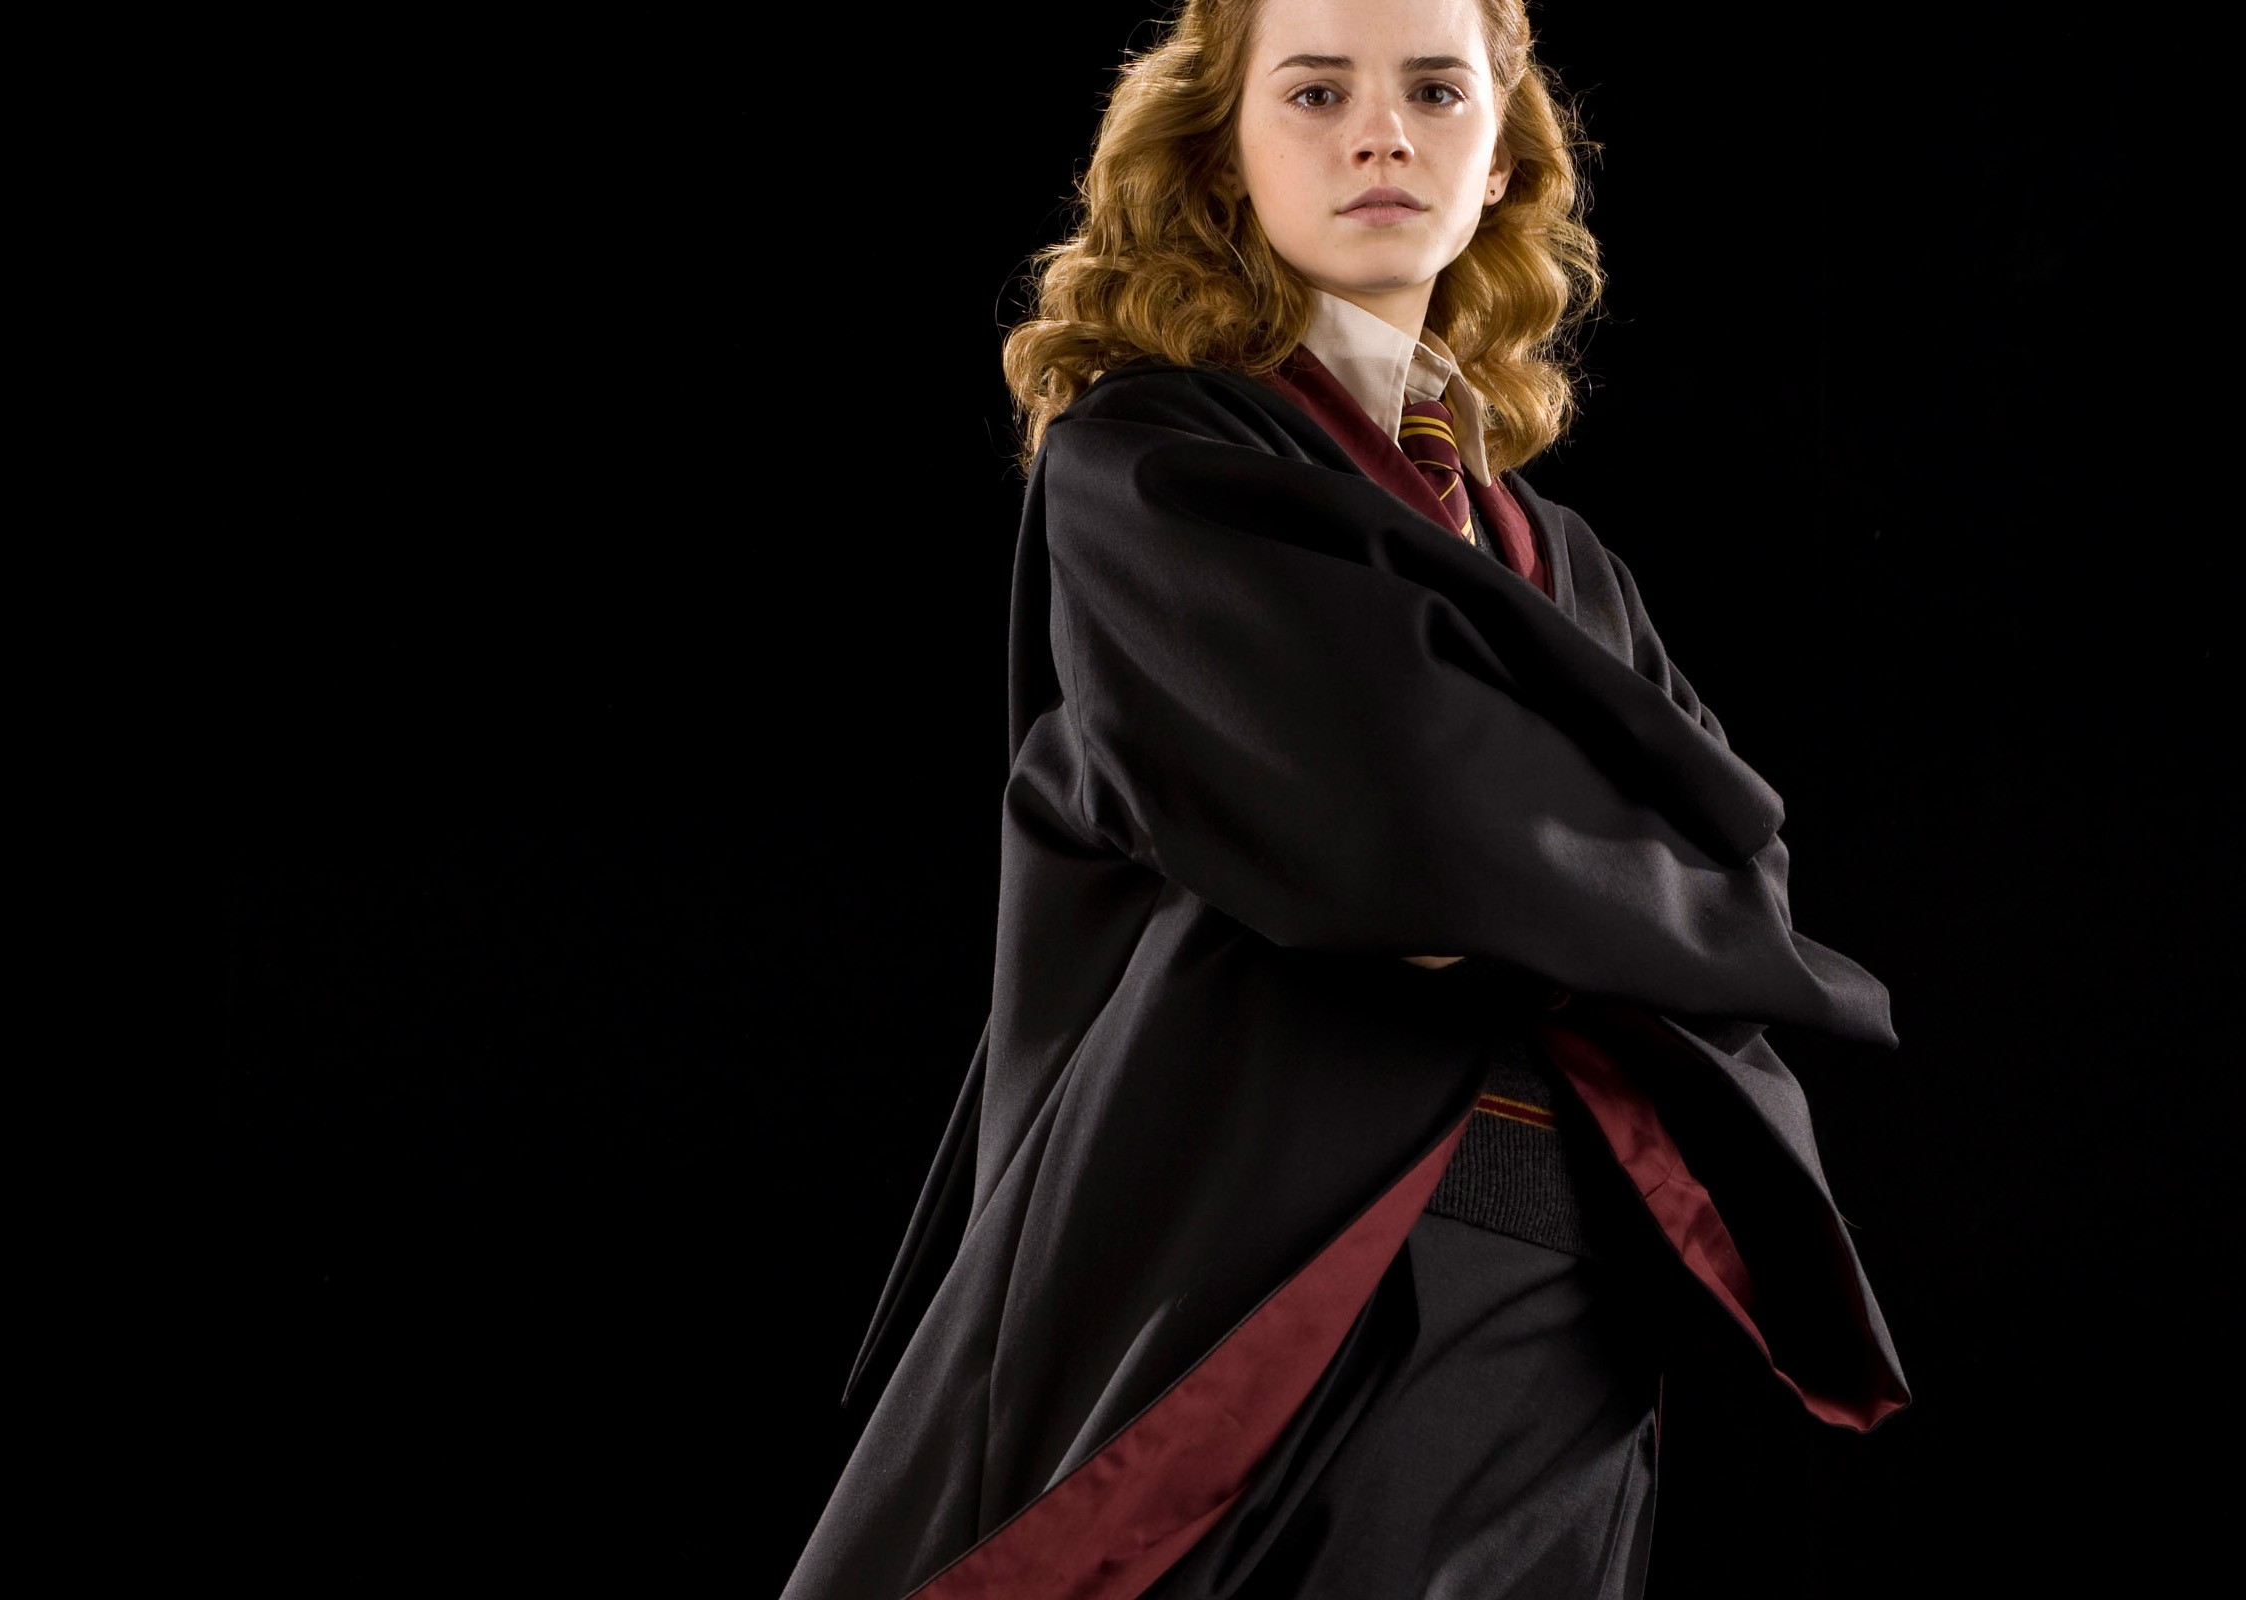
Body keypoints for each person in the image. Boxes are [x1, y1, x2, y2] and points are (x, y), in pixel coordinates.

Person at [783, 1, 1907, 1595]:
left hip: (1570, 1278)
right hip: (1265, 1267)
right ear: (1222, 153)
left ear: (1501, 152)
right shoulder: (1152, 465)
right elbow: (1391, 843)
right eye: (1315, 91)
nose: (1382, 130)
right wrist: (1584, 885)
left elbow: (1747, 866)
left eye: (1435, 89)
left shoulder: (1571, 565)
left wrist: (1513, 872)